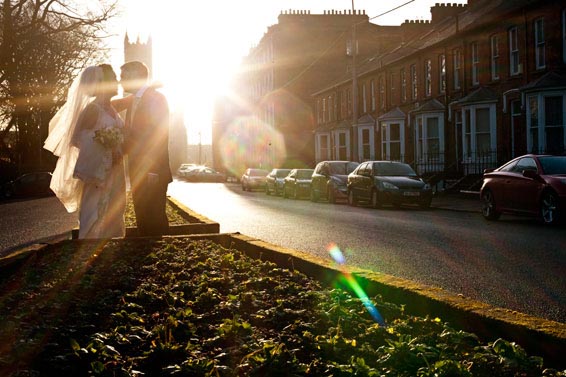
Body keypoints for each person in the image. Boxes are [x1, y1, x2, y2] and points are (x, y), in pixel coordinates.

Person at [44, 64, 126, 239]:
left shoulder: (111, 109)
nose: (118, 82)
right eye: (113, 78)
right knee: (95, 210)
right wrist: (107, 149)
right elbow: (76, 139)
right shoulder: (92, 109)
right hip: (98, 172)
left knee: (115, 211)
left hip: (116, 170)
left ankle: (111, 251)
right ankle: (89, 250)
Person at [112, 61, 172, 236]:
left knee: (155, 220)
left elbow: (156, 137)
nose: (120, 82)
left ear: (134, 77)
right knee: (143, 218)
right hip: (138, 170)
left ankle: (160, 259)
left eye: (123, 77)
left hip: (152, 171)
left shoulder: (156, 98)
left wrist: (153, 171)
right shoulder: (134, 100)